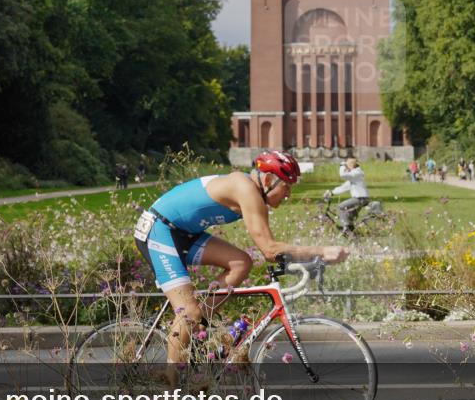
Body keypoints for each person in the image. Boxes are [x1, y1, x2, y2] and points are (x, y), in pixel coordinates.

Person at [132, 150, 348, 373]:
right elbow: (270, 249)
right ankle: (170, 391)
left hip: (184, 232)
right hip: (160, 230)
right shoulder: (246, 189)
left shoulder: (252, 190)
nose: (288, 195)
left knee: (241, 263)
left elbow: (271, 250)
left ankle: (197, 329)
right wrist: (321, 251)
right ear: (267, 180)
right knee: (189, 311)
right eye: (286, 186)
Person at [327, 157, 371, 232]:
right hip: (361, 198)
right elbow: (344, 187)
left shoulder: (356, 173)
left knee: (341, 207)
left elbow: (342, 175)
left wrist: (342, 165)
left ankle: (346, 228)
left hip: (360, 198)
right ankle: (352, 232)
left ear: (350, 166)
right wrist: (331, 192)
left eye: (347, 167)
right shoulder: (354, 175)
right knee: (349, 215)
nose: (346, 168)